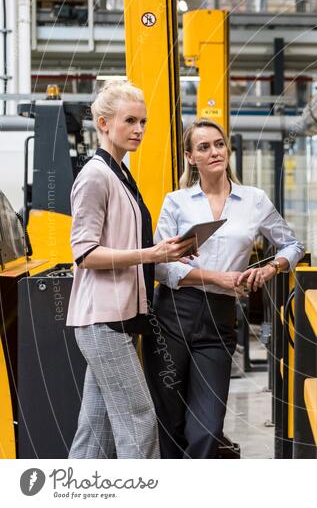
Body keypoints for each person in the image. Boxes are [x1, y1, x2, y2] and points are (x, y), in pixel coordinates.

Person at [142, 119, 304, 459]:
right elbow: (158, 264)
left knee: (207, 423)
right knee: (169, 418)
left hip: (219, 319)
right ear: (190, 157)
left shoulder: (254, 200)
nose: (214, 151)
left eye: (219, 144)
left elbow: (293, 244)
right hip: (172, 314)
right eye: (204, 147)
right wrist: (217, 278)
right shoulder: (177, 201)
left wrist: (271, 267)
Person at [67, 81, 196, 459]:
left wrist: (165, 254)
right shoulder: (95, 176)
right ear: (104, 124)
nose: (139, 129)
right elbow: (85, 253)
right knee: (139, 420)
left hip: (117, 317)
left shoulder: (120, 173)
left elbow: (127, 244)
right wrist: (150, 254)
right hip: (103, 320)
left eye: (143, 121)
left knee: (96, 429)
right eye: (130, 121)